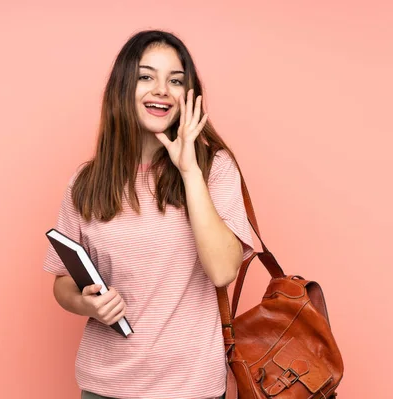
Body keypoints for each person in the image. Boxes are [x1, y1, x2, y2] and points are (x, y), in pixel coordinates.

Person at [43, 29, 254, 399]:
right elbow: (62, 282)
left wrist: (189, 171)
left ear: (189, 96)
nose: (161, 90)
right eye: (146, 76)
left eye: (175, 80)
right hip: (104, 386)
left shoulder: (214, 169)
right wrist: (85, 302)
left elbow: (223, 270)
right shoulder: (86, 181)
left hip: (191, 388)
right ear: (122, 88)